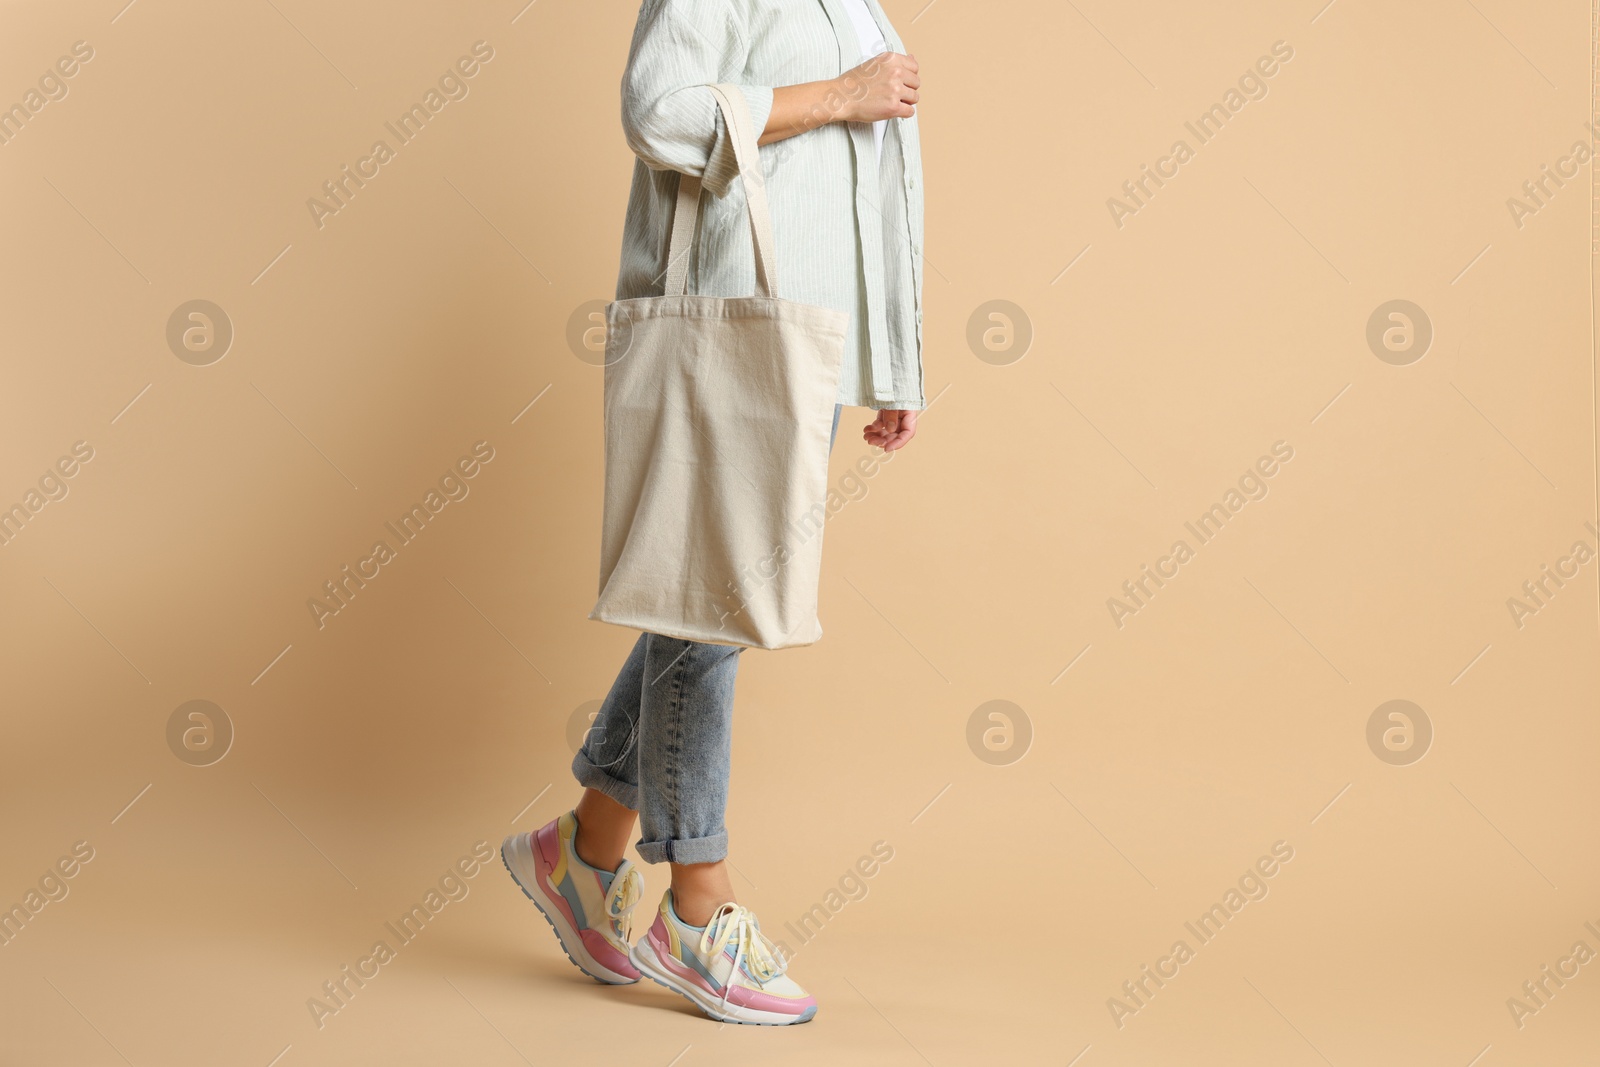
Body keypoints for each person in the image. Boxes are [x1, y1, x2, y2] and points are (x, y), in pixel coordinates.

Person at [501, 0, 925, 1026]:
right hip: (731, 323)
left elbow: (876, 181)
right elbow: (658, 112)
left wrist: (893, 354)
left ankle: (587, 849)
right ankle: (698, 901)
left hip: (808, 342)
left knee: (708, 601)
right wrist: (838, 95)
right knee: (715, 610)